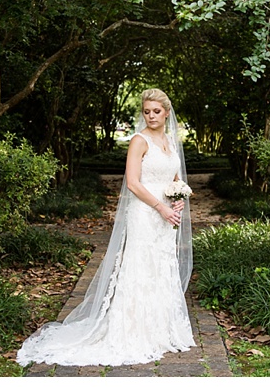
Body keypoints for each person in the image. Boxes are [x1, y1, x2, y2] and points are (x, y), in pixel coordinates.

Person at [16, 88, 195, 367]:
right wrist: (160, 206)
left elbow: (174, 178)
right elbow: (134, 183)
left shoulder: (171, 142)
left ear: (167, 112)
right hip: (145, 213)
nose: (151, 116)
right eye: (146, 111)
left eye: (156, 111)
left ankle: (160, 329)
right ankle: (134, 330)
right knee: (140, 266)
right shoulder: (139, 141)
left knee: (161, 264)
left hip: (165, 216)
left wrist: (178, 199)